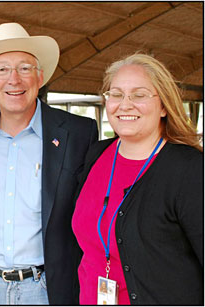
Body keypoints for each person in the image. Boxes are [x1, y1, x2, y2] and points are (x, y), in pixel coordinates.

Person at [0, 22, 98, 305]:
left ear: (40, 76)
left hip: (49, 288)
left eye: (24, 68)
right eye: (3, 69)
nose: (14, 80)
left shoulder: (79, 133)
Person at [72, 53, 203, 305]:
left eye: (139, 95)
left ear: (164, 106)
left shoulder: (189, 169)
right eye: (117, 94)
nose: (125, 104)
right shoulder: (96, 155)